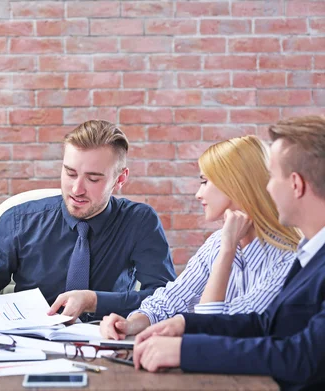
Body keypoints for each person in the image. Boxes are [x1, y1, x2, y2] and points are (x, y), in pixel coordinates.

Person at [131, 116, 325, 391]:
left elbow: (301, 356)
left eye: (272, 177)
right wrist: (185, 325)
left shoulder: (295, 257)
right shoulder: (312, 254)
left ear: (296, 184)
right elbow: (265, 323)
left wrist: (185, 350)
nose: (266, 188)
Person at [0, 120, 176, 321]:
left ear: (120, 179)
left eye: (93, 178)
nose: (77, 189)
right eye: (70, 173)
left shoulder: (139, 221)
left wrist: (94, 301)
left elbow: (165, 299)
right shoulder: (19, 219)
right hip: (29, 344)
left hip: (105, 342)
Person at [100, 135, 300, 339]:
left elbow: (214, 327)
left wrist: (228, 250)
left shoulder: (288, 259)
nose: (198, 194)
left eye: (205, 182)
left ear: (236, 185)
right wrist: (130, 323)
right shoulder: (216, 243)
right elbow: (171, 299)